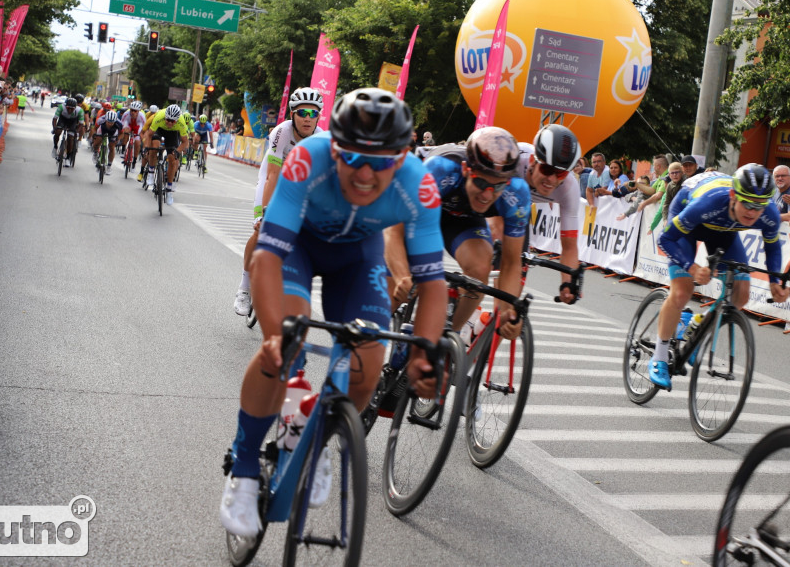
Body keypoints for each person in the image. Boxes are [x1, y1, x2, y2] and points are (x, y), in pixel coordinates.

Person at [219, 88, 446, 538]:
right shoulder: (308, 158)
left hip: (358, 260)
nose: (365, 173)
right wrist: (271, 336)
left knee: (367, 371)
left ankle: (316, 441)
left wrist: (426, 353)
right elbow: (266, 257)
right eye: (352, 159)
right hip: (297, 248)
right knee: (286, 350)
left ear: (400, 159)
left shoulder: (419, 184)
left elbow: (433, 283)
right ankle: (243, 471)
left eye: (380, 162)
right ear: (334, 148)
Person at [651, 164, 790, 389]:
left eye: (759, 206)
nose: (753, 212)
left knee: (741, 295)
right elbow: (665, 240)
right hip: (688, 220)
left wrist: (775, 282)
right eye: (747, 203)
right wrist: (693, 268)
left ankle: (701, 322)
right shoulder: (710, 202)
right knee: (682, 291)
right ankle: (658, 357)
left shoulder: (769, 213)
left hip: (724, 231)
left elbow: (772, 247)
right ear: (734, 195)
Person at [387, 126, 529, 339]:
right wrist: (401, 275)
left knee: (481, 270)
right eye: (481, 182)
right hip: (424, 216)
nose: (487, 194)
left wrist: (508, 311)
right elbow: (394, 230)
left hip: (464, 221)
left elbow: (510, 263)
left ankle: (447, 338)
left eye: (498, 187)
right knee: (397, 292)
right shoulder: (440, 170)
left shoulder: (517, 192)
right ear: (465, 169)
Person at [233, 87, 324, 316]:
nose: (307, 118)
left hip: (299, 183)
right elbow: (272, 175)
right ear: (292, 114)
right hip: (274, 177)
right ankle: (244, 288)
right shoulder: (282, 132)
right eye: (302, 113)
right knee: (260, 230)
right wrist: (264, 212)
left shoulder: (321, 139)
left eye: (313, 114)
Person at [506, 124, 584, 303]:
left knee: (511, 301)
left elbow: (570, 246)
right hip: (494, 201)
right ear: (533, 159)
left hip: (519, 213)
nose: (552, 179)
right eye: (548, 169)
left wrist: (567, 284)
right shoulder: (516, 157)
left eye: (560, 173)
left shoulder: (569, 188)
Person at [139, 104, 188, 204]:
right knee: (154, 147)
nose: (169, 123)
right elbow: (149, 134)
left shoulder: (181, 122)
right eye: (168, 120)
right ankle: (151, 173)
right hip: (159, 130)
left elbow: (185, 142)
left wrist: (177, 151)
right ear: (165, 117)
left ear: (177, 120)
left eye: (172, 121)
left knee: (172, 160)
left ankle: (169, 190)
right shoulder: (159, 116)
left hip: (173, 134)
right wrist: (147, 147)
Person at [51, 96, 84, 164]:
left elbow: (81, 124)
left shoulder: (79, 110)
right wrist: (54, 128)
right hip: (63, 120)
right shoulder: (61, 107)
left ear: (75, 108)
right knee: (58, 132)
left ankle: (68, 157)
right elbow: (55, 119)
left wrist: (76, 132)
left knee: (70, 138)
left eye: (72, 109)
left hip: (72, 122)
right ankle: (55, 147)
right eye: (68, 108)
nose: (70, 110)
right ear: (65, 106)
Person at [92, 109, 123, 174]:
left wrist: (118, 139)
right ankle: (95, 153)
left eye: (112, 122)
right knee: (97, 142)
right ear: (105, 120)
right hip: (102, 130)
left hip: (113, 132)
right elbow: (94, 129)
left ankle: (109, 166)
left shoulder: (119, 123)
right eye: (108, 122)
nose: (110, 124)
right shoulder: (100, 120)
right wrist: (94, 135)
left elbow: (122, 134)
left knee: (112, 147)